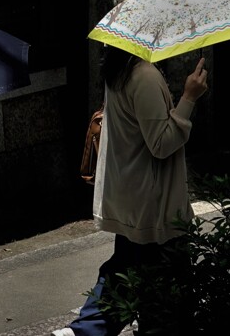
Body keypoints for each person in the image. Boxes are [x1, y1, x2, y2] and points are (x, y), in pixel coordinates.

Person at [53, 46, 209, 336]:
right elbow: (161, 144)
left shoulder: (120, 70)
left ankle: (83, 331)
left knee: (124, 273)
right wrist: (189, 97)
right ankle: (86, 330)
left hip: (131, 199)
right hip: (152, 206)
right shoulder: (144, 75)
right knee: (162, 296)